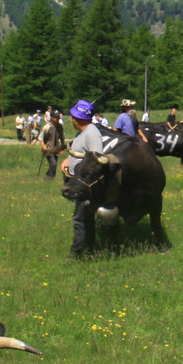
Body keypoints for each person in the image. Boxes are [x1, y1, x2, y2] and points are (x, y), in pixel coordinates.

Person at [64, 101, 109, 258]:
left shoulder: (92, 133)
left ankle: (76, 253)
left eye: (73, 117)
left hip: (85, 185)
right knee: (84, 218)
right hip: (78, 182)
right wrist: (66, 161)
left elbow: (95, 160)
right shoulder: (81, 133)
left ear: (80, 118)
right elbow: (77, 151)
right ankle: (89, 248)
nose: (71, 120)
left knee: (80, 218)